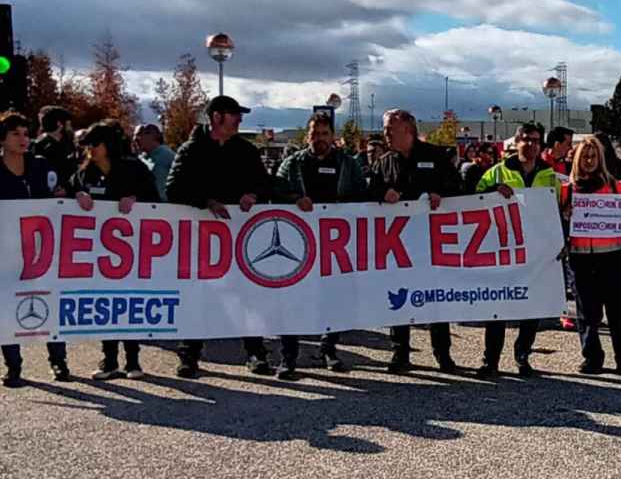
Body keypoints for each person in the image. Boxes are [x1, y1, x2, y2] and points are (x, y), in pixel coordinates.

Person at [166, 95, 276, 378]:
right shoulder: (191, 150)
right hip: (200, 238)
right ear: (216, 117)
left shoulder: (245, 151)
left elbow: (266, 184)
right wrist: (207, 201)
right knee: (198, 295)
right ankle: (189, 355)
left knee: (246, 294)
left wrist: (254, 194)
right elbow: (174, 189)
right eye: (234, 115)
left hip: (239, 237)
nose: (239, 120)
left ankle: (255, 353)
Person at [0, 111, 70, 387]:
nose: (23, 139)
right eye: (15, 134)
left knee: (50, 301)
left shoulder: (40, 165)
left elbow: (58, 195)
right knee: (5, 304)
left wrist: (65, 194)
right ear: (1, 139)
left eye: (25, 133)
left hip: (40, 250)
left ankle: (59, 361)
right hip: (2, 249)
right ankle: (14, 366)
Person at [273, 112, 367, 379]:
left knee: (336, 299)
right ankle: (288, 358)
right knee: (291, 300)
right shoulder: (292, 164)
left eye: (325, 134)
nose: (320, 139)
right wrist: (294, 198)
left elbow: (362, 193)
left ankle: (329, 349)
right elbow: (275, 190)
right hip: (298, 242)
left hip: (337, 244)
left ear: (333, 137)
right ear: (308, 136)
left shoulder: (348, 164)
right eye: (315, 134)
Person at [368, 108, 462, 373]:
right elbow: (369, 190)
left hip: (432, 243)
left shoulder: (435, 156)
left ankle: (443, 354)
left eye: (390, 129)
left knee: (434, 298)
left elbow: (457, 187)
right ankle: (400, 353)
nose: (385, 134)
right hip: (397, 244)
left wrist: (439, 193)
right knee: (399, 297)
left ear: (407, 130)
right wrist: (382, 193)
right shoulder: (384, 161)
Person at [68, 122, 161, 379]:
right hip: (98, 252)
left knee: (128, 302)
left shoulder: (133, 169)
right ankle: (109, 360)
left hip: (132, 250)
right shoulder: (85, 173)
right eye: (86, 145)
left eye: (94, 145)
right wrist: (78, 195)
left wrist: (135, 200)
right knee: (104, 304)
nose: (90, 150)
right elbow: (67, 190)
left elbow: (157, 202)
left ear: (107, 145)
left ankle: (133, 361)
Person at [474, 123, 559, 377]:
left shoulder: (550, 174)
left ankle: (523, 356)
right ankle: (491, 361)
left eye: (536, 140)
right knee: (497, 306)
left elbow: (557, 210)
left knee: (531, 307)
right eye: (526, 139)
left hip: (536, 250)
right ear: (517, 142)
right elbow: (473, 198)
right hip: (503, 248)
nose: (531, 144)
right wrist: (492, 191)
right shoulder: (496, 172)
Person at [561, 136, 621, 376]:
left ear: (600, 159)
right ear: (577, 159)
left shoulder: (616, 186)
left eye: (593, 156)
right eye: (585, 157)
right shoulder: (568, 189)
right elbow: (557, 225)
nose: (589, 161)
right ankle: (592, 358)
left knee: (620, 314)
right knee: (587, 314)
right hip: (582, 259)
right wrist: (566, 215)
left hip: (614, 258)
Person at [31, 105, 76, 193]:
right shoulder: (39, 146)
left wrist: (68, 189)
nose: (70, 127)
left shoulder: (69, 143)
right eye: (68, 124)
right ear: (59, 124)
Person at [133, 123, 175, 201]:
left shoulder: (167, 155)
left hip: (166, 208)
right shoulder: (140, 159)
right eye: (134, 135)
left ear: (153, 135)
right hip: (145, 208)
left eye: (139, 134)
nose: (135, 139)